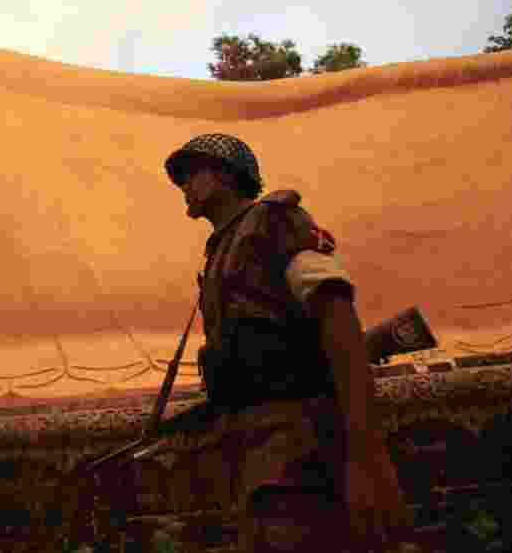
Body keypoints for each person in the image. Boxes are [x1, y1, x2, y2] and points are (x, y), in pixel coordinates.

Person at [164, 133, 410, 552]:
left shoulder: (275, 222)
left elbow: (337, 317)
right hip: (253, 444)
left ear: (225, 176)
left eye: (191, 173)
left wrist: (367, 455)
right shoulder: (225, 245)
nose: (183, 185)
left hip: (298, 440)